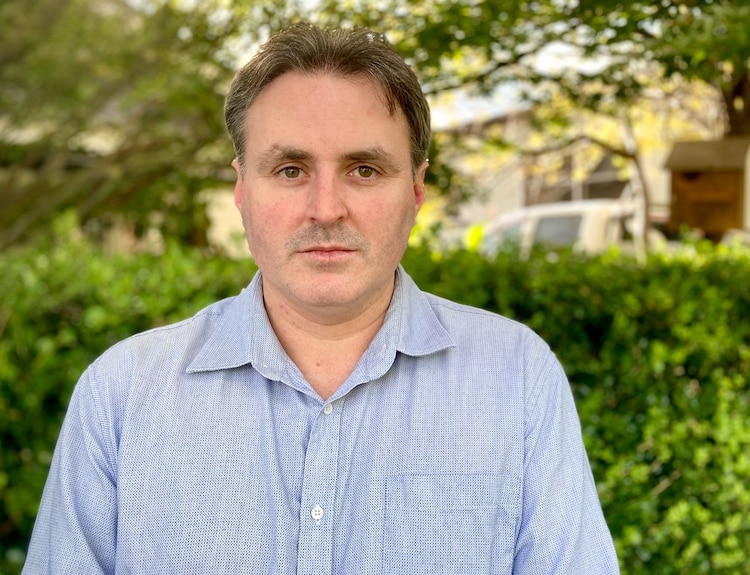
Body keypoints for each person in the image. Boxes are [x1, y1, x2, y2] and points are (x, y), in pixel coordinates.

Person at [23, 22, 619, 574]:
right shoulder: (122, 396)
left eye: (364, 169)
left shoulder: (517, 377)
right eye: (289, 169)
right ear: (241, 189)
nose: (326, 207)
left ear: (415, 191)